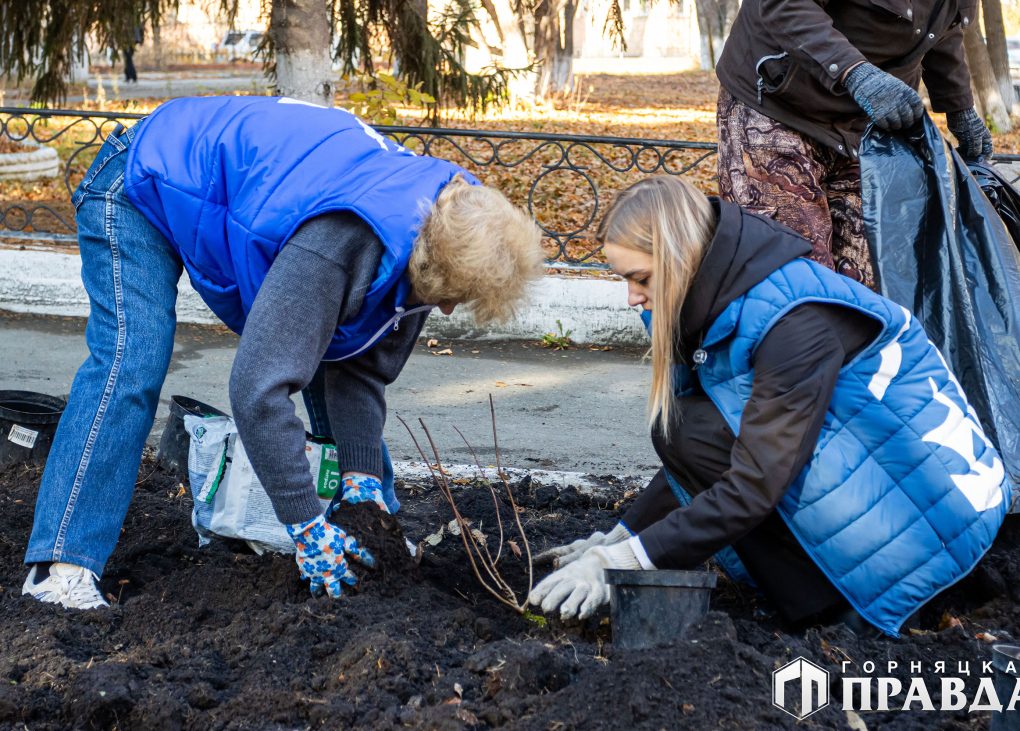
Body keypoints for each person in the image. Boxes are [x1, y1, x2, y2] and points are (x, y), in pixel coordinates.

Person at [23, 95, 544, 609]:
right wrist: (302, 523)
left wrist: (362, 478)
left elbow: (357, 363)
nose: (449, 309)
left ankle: (367, 533)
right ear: (428, 262)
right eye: (450, 296)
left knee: (325, 361)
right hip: (144, 177)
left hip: (239, 194)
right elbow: (257, 390)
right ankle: (60, 567)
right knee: (131, 361)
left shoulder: (453, 228)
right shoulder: (341, 245)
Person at [529, 176, 1011, 637]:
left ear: (679, 258)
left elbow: (755, 481)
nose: (632, 297)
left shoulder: (792, 321)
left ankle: (832, 606)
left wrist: (629, 561)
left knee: (688, 429)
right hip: (894, 504)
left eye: (641, 278)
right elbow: (704, 452)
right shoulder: (730, 300)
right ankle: (815, 593)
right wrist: (619, 538)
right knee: (682, 427)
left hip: (925, 538)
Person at [714, 0, 992, 289]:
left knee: (868, 283)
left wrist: (959, 107)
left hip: (869, 123)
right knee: (793, 274)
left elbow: (941, 26)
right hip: (779, 106)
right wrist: (855, 73)